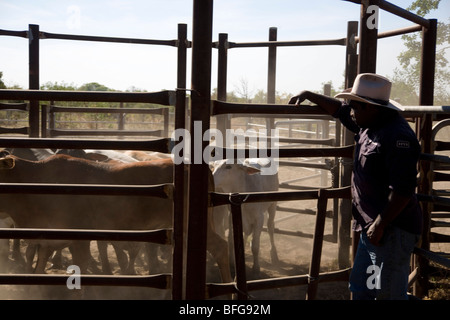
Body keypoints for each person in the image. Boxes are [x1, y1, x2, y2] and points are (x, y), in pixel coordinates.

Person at [289, 73, 422, 300]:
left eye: (355, 107)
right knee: (362, 289)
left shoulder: (397, 137)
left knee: (388, 294)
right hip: (371, 228)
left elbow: (403, 189)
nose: (350, 111)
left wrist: (380, 224)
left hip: (390, 229)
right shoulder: (369, 122)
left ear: (372, 108)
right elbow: (339, 110)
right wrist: (310, 95)